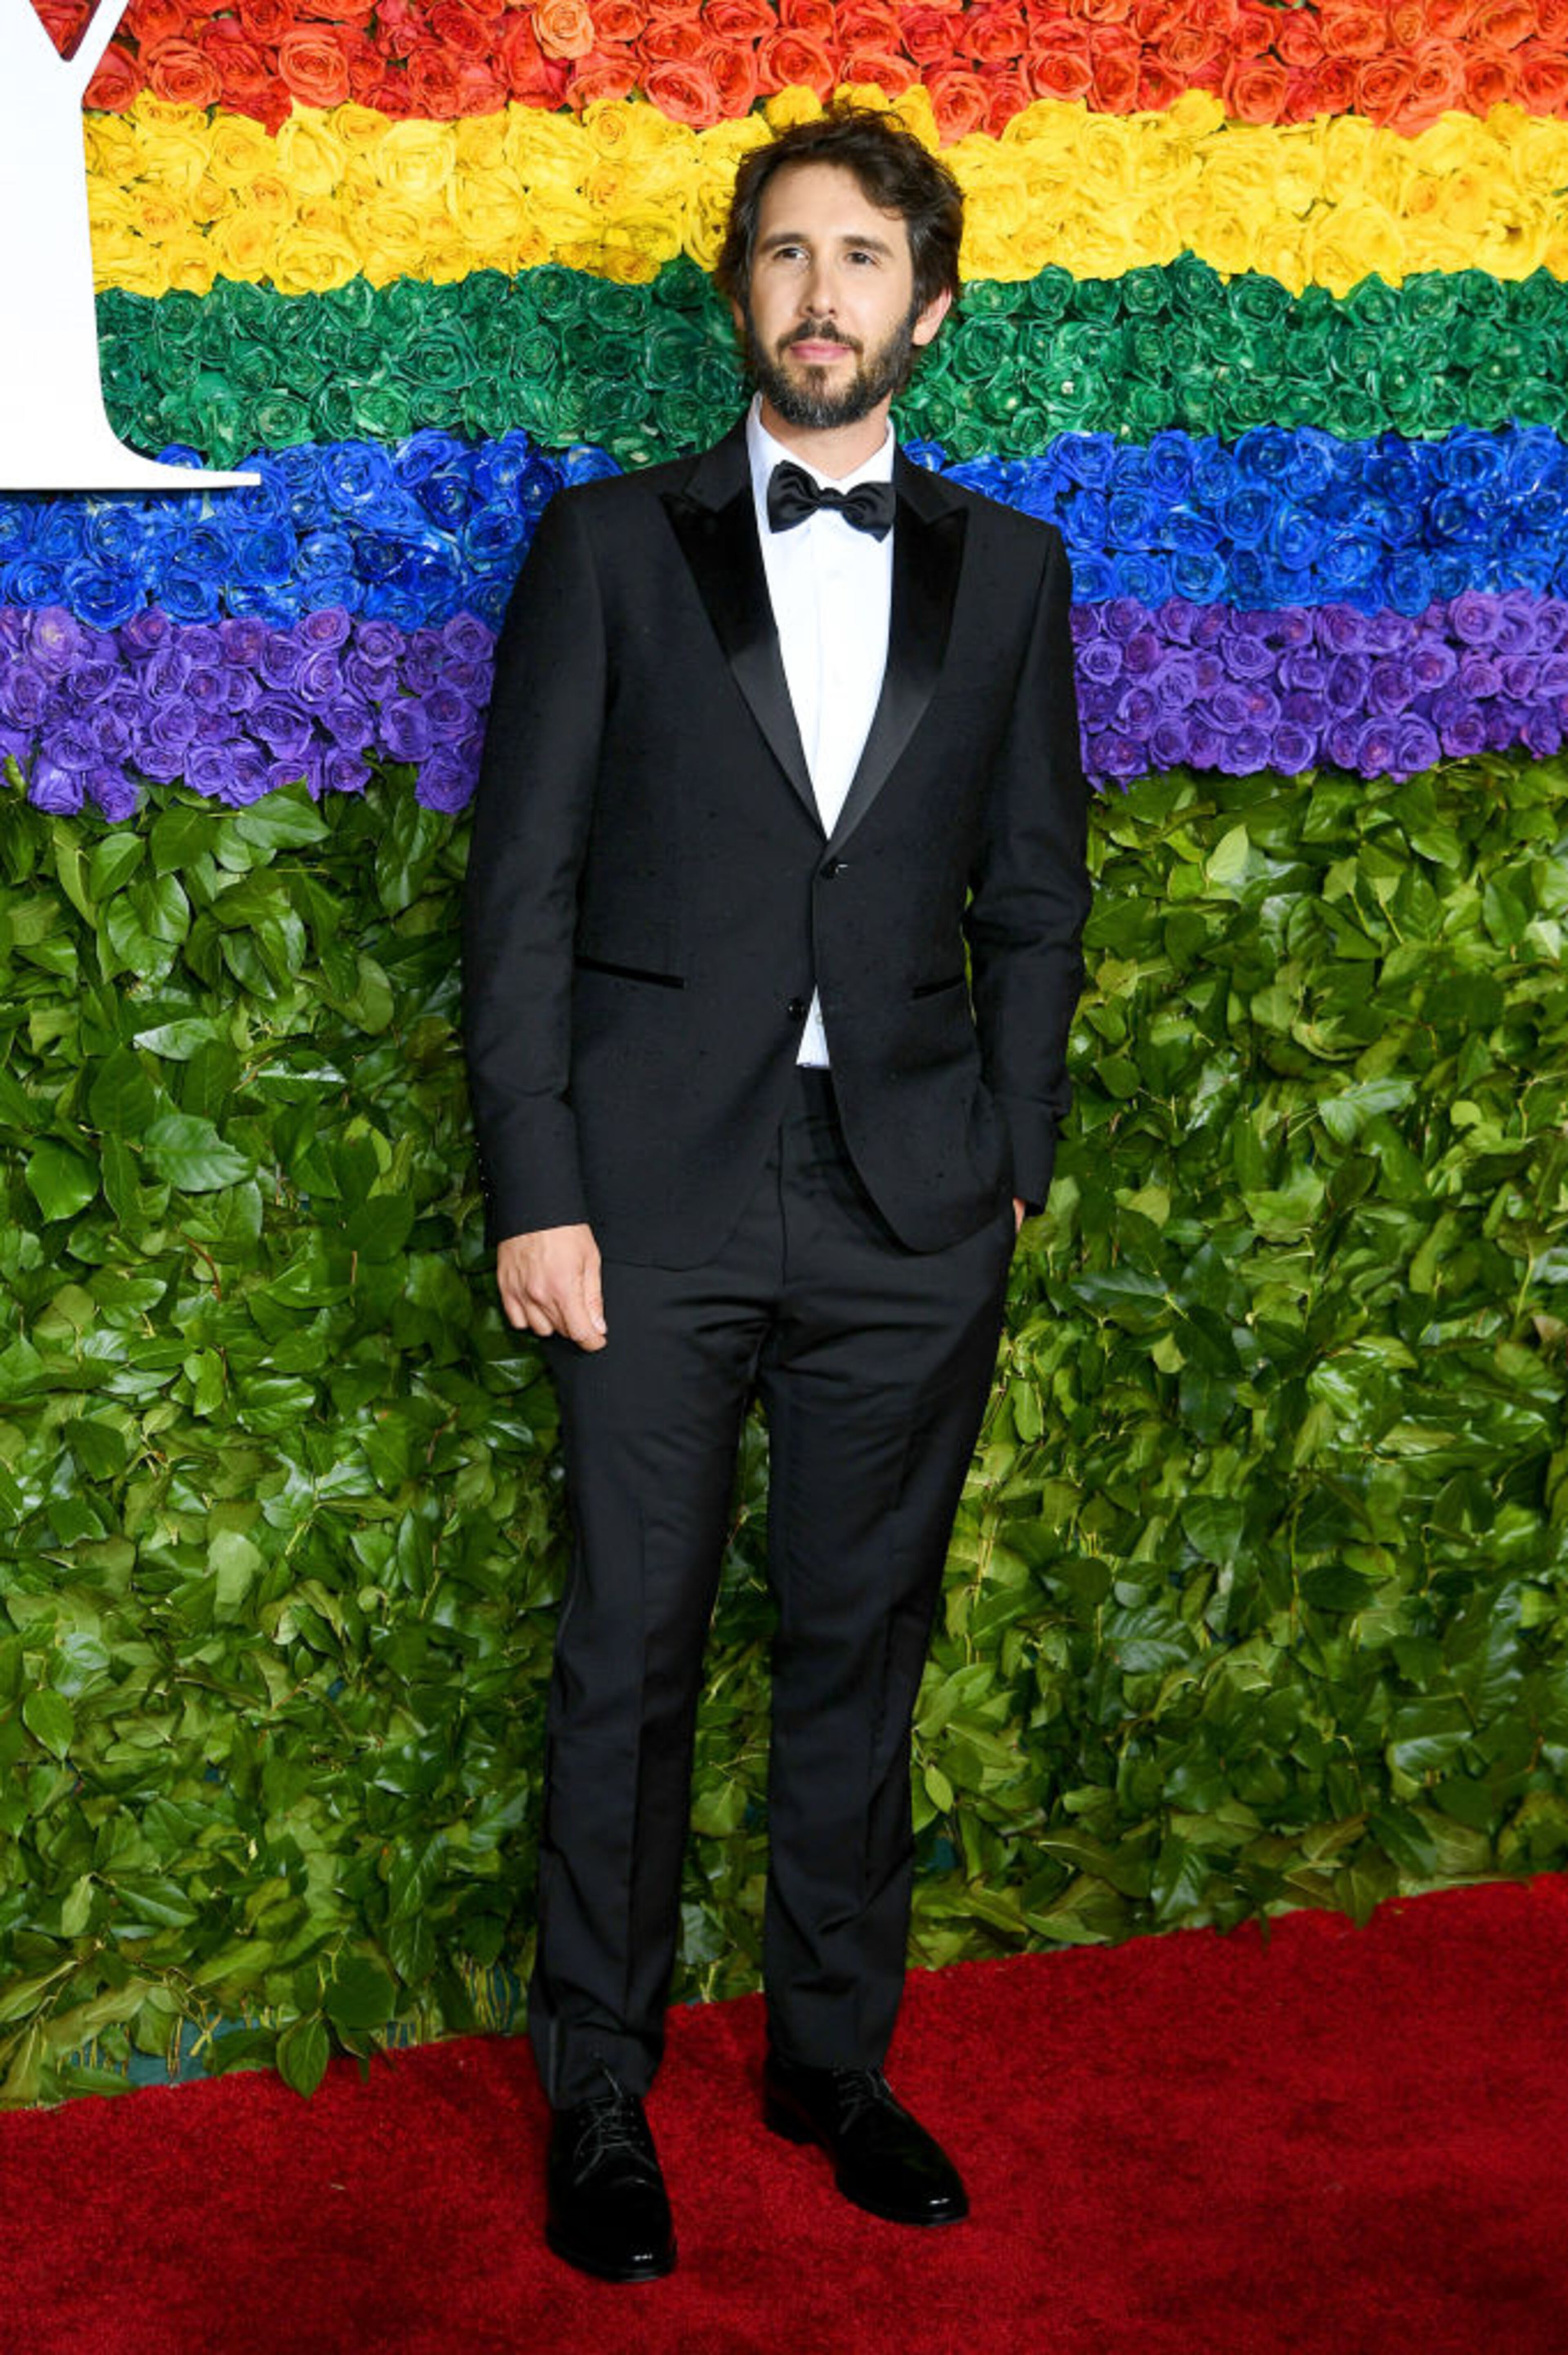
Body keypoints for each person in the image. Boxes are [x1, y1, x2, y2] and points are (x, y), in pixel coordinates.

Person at [461, 103, 1091, 2285]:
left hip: (916, 1203)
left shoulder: (1012, 572)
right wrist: (539, 1188)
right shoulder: (607, 550)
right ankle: (600, 2089)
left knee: (861, 1646)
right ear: (742, 291)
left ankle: (833, 2060)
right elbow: (518, 893)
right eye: (785, 253)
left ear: (928, 305)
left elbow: (1038, 892)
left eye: (863, 258)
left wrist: (1014, 1150)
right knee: (628, 1649)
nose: (821, 293)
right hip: (647, 1200)